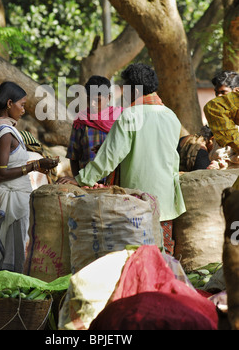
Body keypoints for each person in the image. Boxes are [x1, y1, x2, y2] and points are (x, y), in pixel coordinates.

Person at [59, 63, 186, 255]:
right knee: (163, 254)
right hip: (166, 199)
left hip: (138, 199)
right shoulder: (171, 116)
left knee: (137, 255)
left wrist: (80, 179)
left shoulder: (130, 116)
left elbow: (109, 158)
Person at [0, 81, 58, 274]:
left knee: (15, 250)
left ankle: (9, 297)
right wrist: (35, 165)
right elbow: (1, 172)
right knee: (13, 253)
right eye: (21, 105)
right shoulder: (5, 132)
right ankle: (9, 298)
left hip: (15, 199)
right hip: (11, 202)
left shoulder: (1, 127)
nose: (23, 110)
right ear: (9, 103)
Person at [66, 75, 123, 182]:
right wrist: (79, 181)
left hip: (116, 182)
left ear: (109, 98)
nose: (92, 104)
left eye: (97, 100)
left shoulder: (120, 118)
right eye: (89, 99)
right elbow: (74, 157)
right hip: (87, 183)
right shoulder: (81, 122)